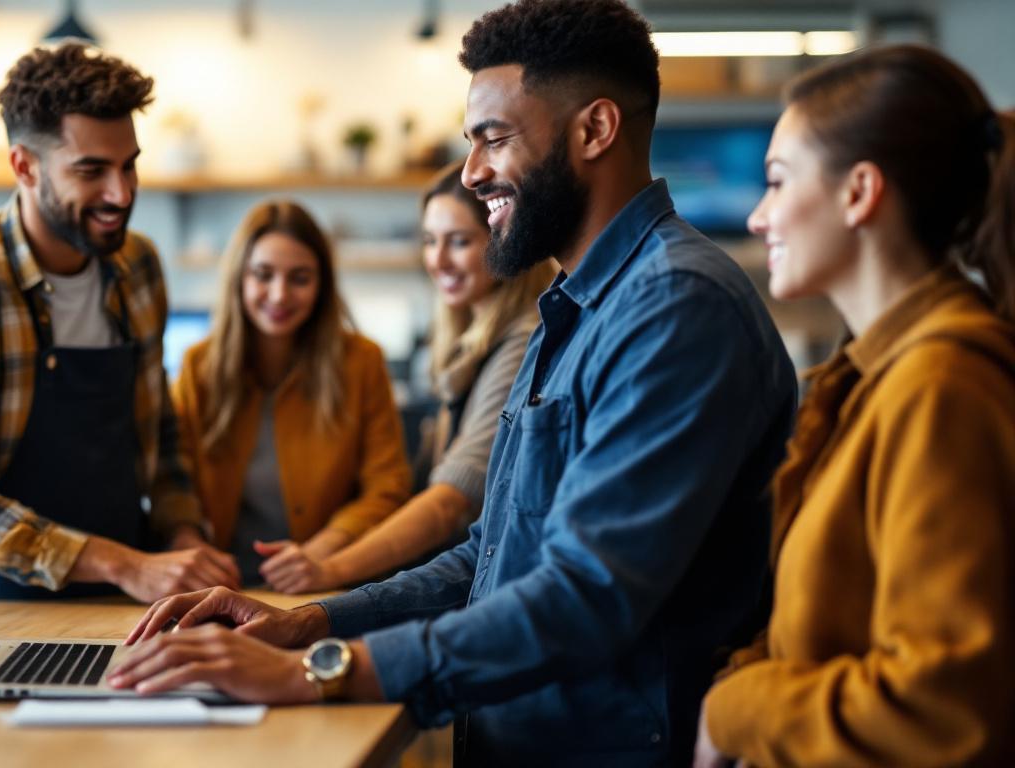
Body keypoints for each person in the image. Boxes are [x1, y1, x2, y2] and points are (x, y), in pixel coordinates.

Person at [109, 1, 797, 763]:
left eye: (493, 138)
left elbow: (587, 596)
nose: (471, 174)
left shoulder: (674, 307)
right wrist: (313, 622)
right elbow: (491, 556)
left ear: (595, 130)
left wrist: (325, 672)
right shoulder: (574, 308)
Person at [695, 48, 1015, 768]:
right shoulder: (880, 376)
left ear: (860, 192)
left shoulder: (941, 387)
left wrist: (736, 709)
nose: (757, 215)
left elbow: (940, 710)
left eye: (778, 183)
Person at [0, 44, 238, 603]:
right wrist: (126, 566)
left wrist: (183, 538)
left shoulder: (137, 267)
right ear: (24, 165)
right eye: (91, 171)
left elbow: (160, 435)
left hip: (131, 596)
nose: (121, 194)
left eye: (129, 165)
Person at [257, 164, 559, 593]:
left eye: (459, 242)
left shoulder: (521, 342)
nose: (437, 261)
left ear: (502, 240)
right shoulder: (470, 346)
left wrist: (330, 570)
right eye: (429, 241)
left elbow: (451, 503)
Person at [170, 200, 411, 586]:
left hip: (324, 582)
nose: (280, 295)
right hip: (218, 586)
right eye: (263, 275)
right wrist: (188, 544)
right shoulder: (197, 367)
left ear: (321, 285)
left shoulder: (361, 363)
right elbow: (171, 482)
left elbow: (388, 487)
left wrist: (319, 552)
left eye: (299, 278)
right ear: (239, 279)